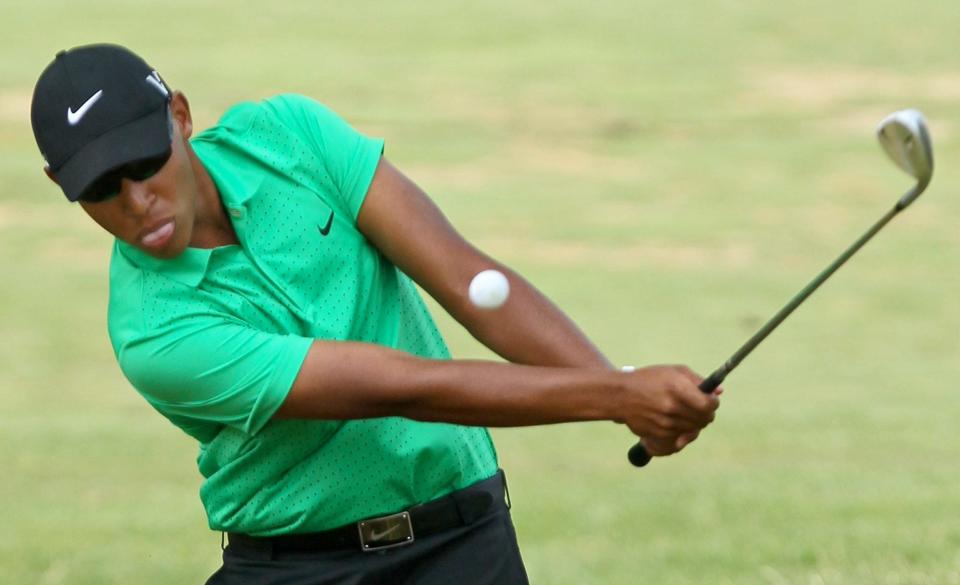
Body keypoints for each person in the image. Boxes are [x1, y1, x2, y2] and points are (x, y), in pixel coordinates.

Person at [30, 43, 720, 585]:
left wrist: (628, 398)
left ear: (180, 116)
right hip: (305, 567)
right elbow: (404, 386)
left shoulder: (286, 136)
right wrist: (618, 393)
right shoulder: (154, 332)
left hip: (466, 540)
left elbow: (463, 275)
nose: (134, 201)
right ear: (63, 187)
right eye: (99, 189)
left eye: (144, 162)